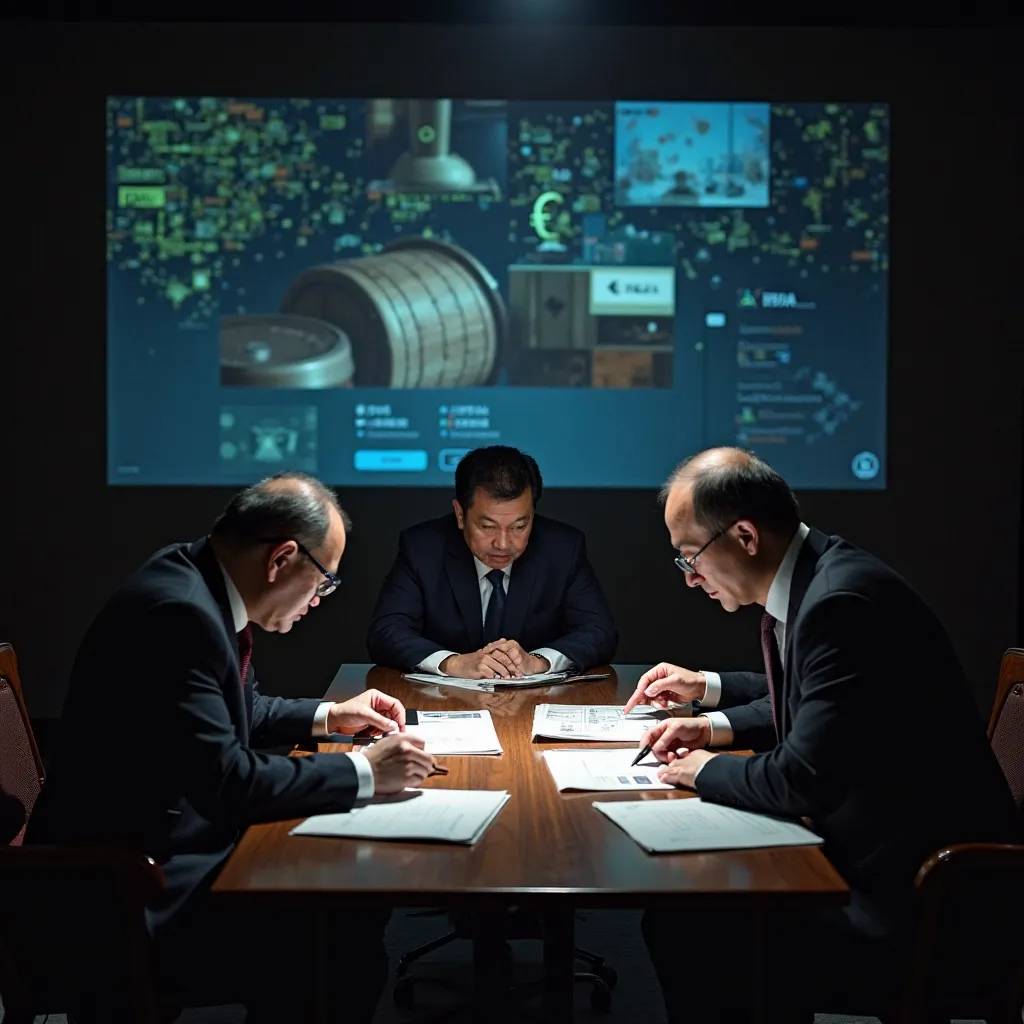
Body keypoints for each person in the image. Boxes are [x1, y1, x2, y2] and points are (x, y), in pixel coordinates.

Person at [26, 473, 436, 1023]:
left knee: (345, 901)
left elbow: (236, 712)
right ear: (282, 558)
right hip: (121, 892)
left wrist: (330, 715)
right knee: (336, 926)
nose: (318, 600)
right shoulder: (179, 617)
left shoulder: (191, 577)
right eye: (324, 582)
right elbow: (228, 783)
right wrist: (366, 772)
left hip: (148, 850)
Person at [632, 448, 1019, 1022]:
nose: (691, 579)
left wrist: (701, 769)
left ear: (744, 535)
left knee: (692, 925)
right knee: (691, 912)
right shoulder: (820, 575)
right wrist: (710, 712)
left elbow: (801, 779)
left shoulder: (840, 603)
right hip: (887, 859)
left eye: (690, 557)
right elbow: (811, 702)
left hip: (920, 902)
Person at [367, 446, 617, 678]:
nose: (503, 543)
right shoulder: (423, 548)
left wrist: (537, 661)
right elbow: (386, 632)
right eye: (488, 526)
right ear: (460, 514)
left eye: (520, 526)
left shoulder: (562, 548)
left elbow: (599, 632)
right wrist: (454, 663)